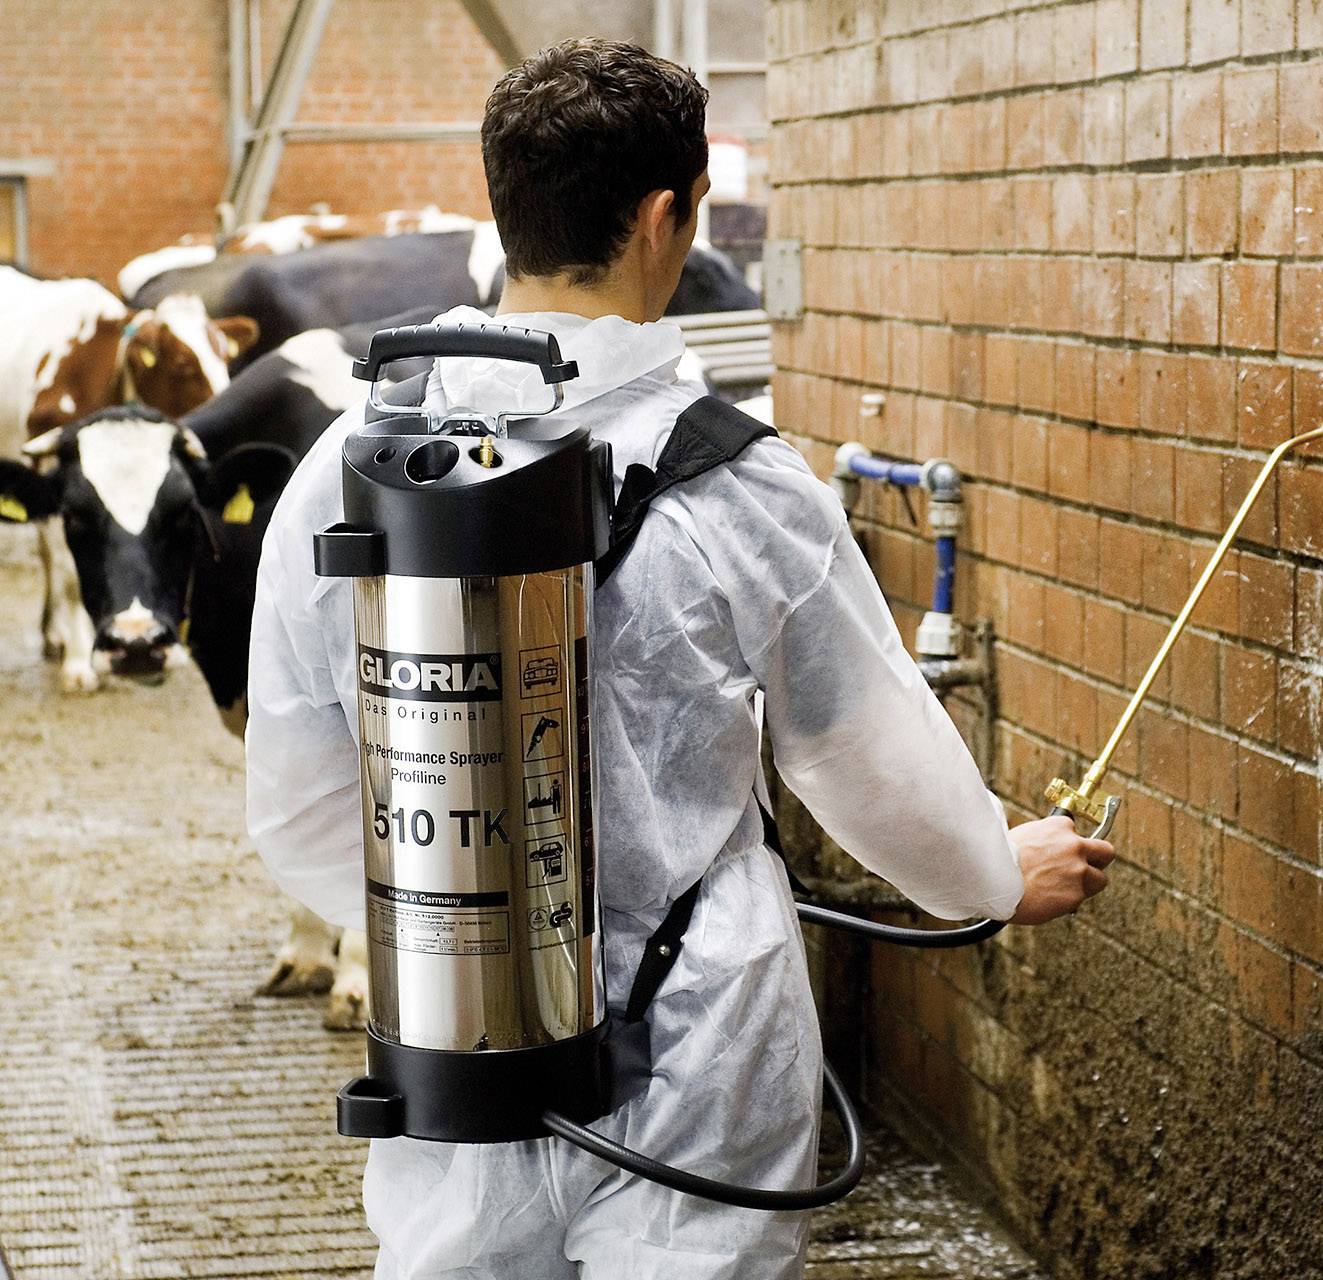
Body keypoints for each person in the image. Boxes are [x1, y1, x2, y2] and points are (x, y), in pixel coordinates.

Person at [244, 38, 1115, 1280]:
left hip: (463, 1054)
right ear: (667, 216)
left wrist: (470, 950)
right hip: (700, 1037)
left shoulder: (349, 469)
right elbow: (864, 756)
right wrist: (991, 873)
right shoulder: (738, 475)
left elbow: (297, 802)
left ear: (508, 210)